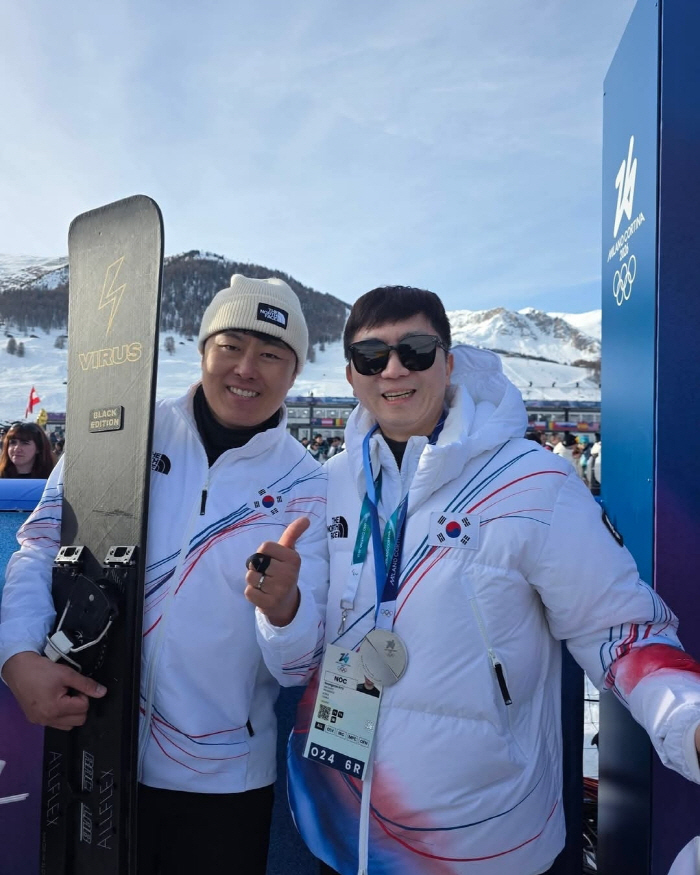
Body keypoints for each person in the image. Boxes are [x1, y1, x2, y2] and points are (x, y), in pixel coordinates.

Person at [251, 285, 700, 875]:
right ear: (351, 375)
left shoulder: (533, 482)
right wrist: (281, 612)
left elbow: (618, 629)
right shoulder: (330, 483)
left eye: (415, 350)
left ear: (449, 361)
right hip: (344, 833)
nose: (393, 369)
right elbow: (298, 662)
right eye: (371, 356)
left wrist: (688, 720)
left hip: (484, 845)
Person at [0, 275, 329, 875]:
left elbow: (295, 668)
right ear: (202, 350)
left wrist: (285, 610)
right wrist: (17, 654)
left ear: (295, 372)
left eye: (273, 355)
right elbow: (42, 544)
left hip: (223, 781)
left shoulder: (310, 485)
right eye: (230, 346)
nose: (247, 369)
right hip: (92, 747)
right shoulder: (121, 432)